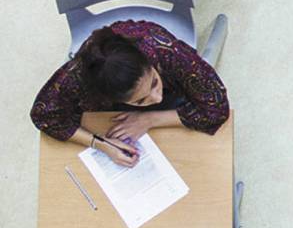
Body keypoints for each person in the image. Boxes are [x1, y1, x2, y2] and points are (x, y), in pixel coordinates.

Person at [31, 20, 229, 167]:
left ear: (150, 63)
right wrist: (101, 143)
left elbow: (217, 107)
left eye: (154, 82)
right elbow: (45, 115)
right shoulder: (78, 78)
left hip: (171, 86)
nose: (157, 98)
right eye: (141, 100)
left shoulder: (166, 51)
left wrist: (149, 119)